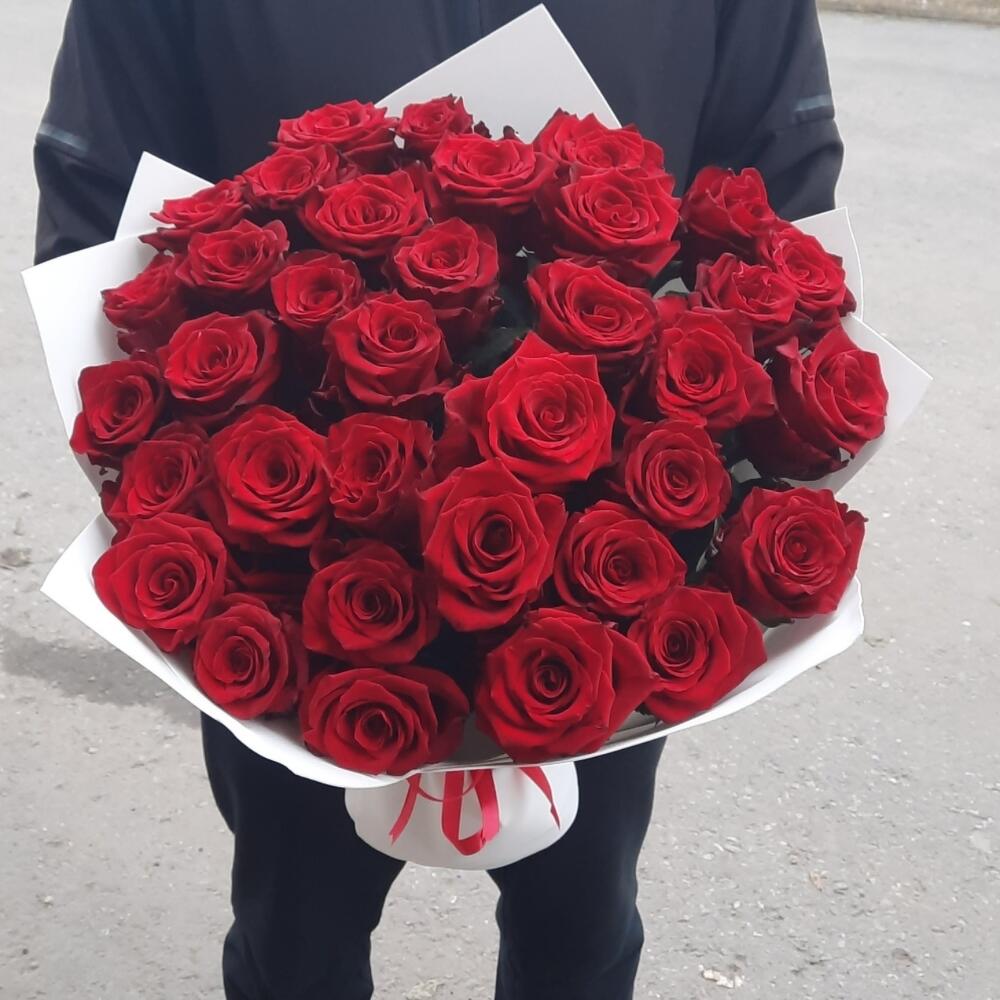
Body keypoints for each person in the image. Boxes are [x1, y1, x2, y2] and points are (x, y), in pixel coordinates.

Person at [34, 3, 842, 997]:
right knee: (294, 938)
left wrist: (721, 443)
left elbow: (781, 201)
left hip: (620, 558)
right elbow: (100, 202)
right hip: (279, 568)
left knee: (581, 932)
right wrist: (166, 464)